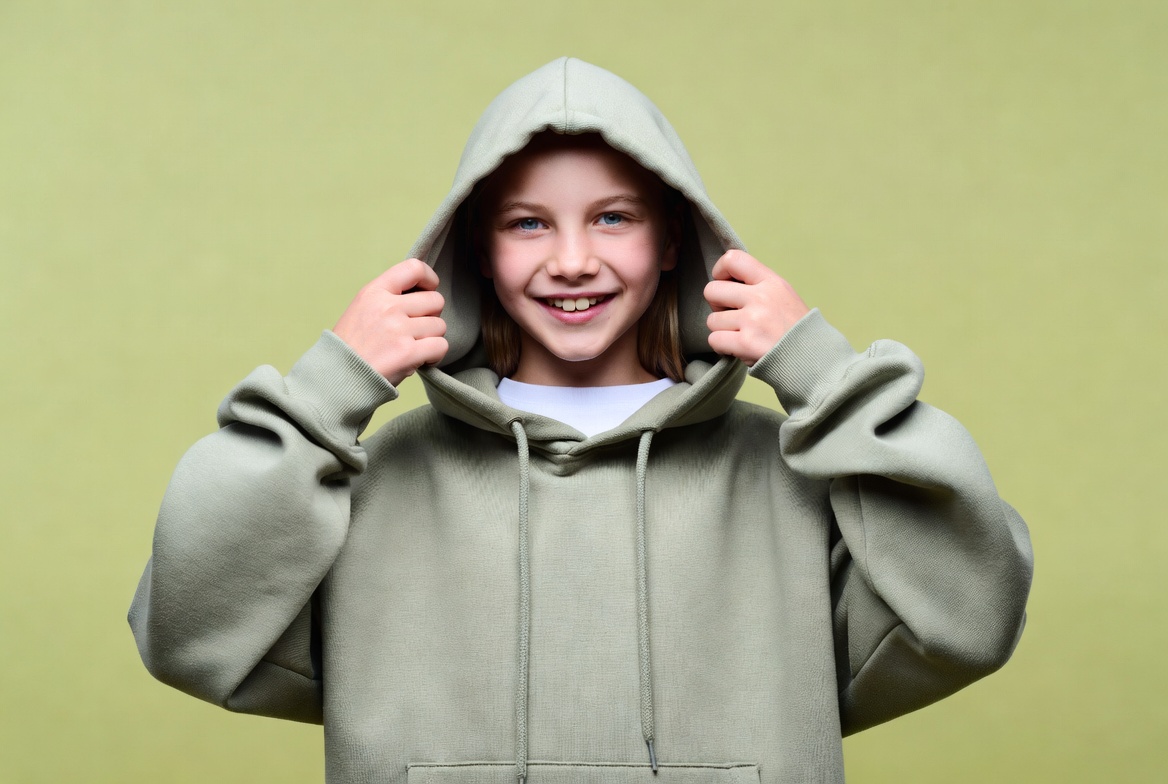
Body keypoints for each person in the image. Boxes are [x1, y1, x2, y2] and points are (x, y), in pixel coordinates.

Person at [129, 58, 1033, 784]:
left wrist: (821, 372)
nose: (572, 261)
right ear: (475, 247)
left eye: (613, 217)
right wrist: (331, 387)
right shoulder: (382, 476)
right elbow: (188, 628)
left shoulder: (781, 475)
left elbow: (969, 613)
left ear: (672, 236)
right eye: (527, 223)